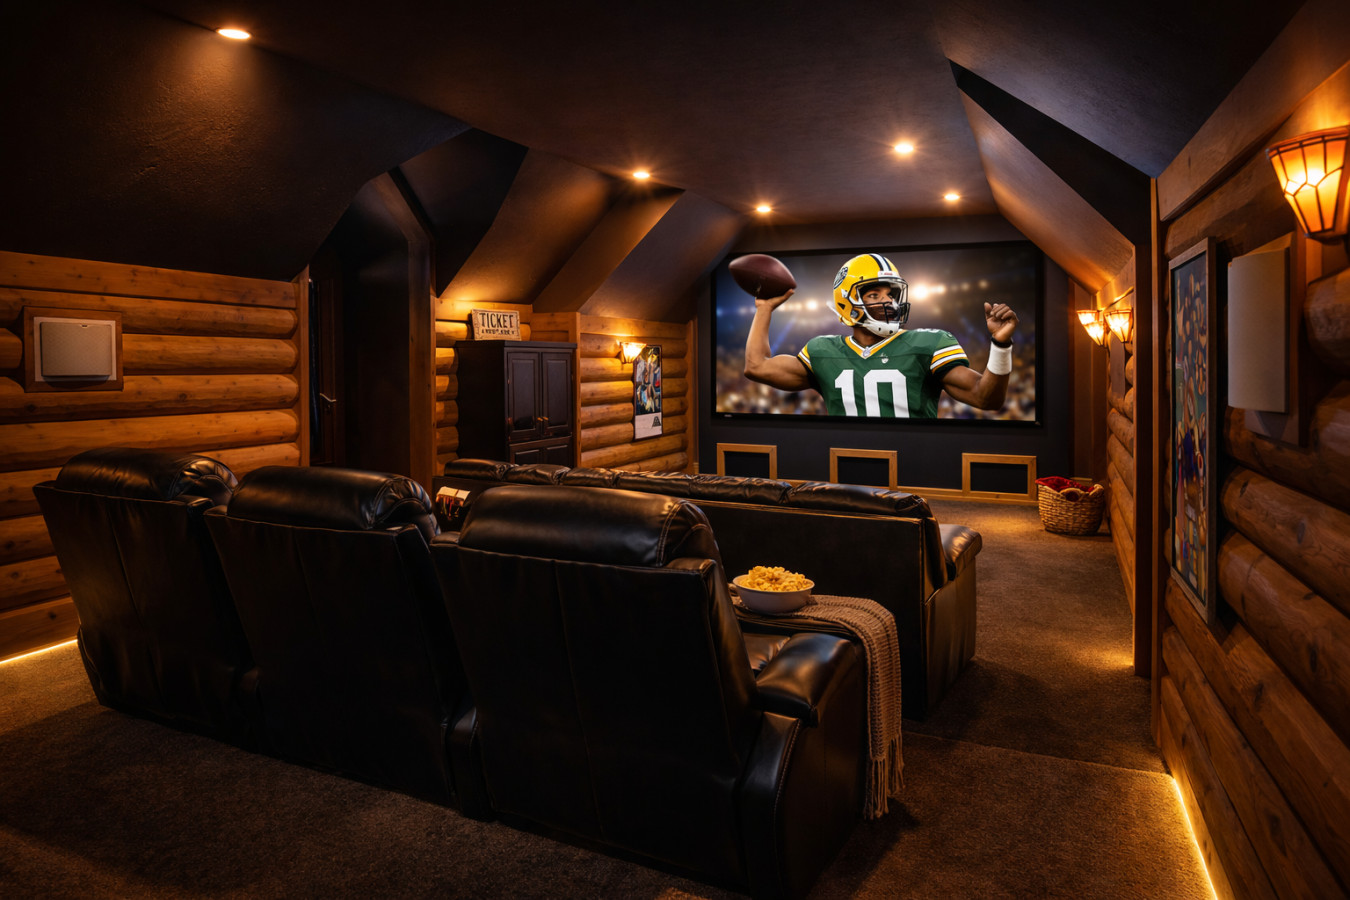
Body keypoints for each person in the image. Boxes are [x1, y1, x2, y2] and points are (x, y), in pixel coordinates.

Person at [743, 252, 1018, 417]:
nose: (888, 301)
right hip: (844, 464)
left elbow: (987, 398)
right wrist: (764, 309)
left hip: (915, 465)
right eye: (874, 294)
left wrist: (1000, 344)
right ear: (847, 302)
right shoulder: (822, 351)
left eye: (891, 294)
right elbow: (756, 366)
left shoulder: (929, 343)